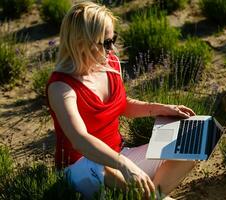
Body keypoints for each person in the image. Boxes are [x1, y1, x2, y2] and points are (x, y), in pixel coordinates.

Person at [46, 2, 196, 199]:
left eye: (113, 39)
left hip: (118, 157)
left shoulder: (110, 64)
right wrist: (124, 164)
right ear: (81, 42)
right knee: (107, 172)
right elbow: (79, 140)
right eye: (106, 42)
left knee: (190, 147)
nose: (112, 48)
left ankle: (150, 196)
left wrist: (162, 109)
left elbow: (122, 104)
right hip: (82, 166)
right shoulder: (61, 86)